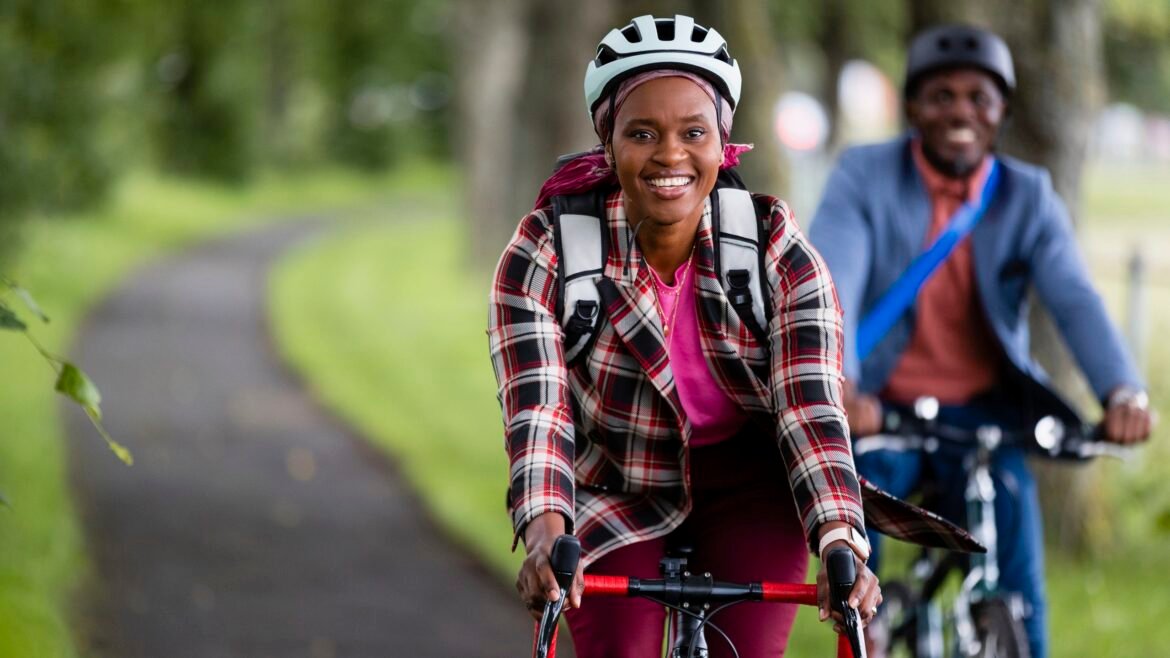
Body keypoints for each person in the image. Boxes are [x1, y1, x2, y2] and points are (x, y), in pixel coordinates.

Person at [488, 14, 979, 658]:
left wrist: (840, 538)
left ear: (723, 144)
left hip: (754, 486)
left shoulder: (774, 248)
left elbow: (811, 407)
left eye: (694, 133)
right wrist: (546, 531)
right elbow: (539, 411)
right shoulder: (549, 248)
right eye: (642, 133)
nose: (670, 155)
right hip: (615, 479)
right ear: (607, 144)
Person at [809, 24, 1155, 658]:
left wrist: (1122, 390)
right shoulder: (865, 175)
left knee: (1017, 566)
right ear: (913, 108)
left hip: (983, 414)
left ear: (1002, 112)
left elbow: (1075, 298)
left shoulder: (1028, 195)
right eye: (941, 96)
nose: (961, 112)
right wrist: (843, 386)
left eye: (979, 98)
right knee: (860, 512)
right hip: (882, 405)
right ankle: (864, 634)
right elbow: (832, 282)